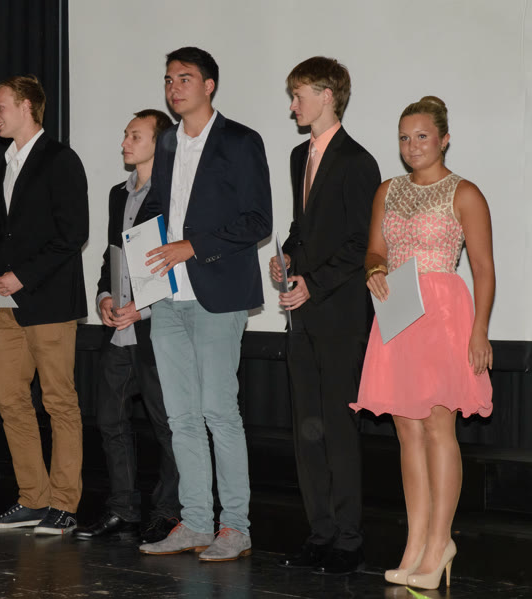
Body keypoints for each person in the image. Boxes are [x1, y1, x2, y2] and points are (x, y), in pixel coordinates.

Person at [352, 96, 494, 590]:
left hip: (445, 316)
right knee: (407, 431)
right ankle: (415, 544)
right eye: (404, 137)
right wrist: (374, 269)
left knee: (438, 428)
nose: (412, 146)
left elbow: (483, 269)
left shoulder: (465, 193)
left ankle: (439, 543)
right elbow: (375, 249)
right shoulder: (387, 190)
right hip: (398, 310)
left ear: (444, 139)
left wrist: (480, 331)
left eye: (422, 136)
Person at [138, 47, 272, 562]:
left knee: (219, 412)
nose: (174, 87)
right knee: (182, 417)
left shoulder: (240, 140)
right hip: (168, 296)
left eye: (185, 78)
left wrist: (193, 247)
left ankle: (235, 527)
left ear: (209, 85)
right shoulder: (167, 142)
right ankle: (195, 522)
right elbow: (159, 208)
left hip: (219, 292)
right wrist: (138, 250)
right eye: (168, 79)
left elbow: (257, 220)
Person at [270, 57, 380, 575]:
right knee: (307, 429)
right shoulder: (300, 156)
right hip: (303, 314)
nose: (292, 105)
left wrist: (314, 282)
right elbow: (304, 227)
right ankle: (320, 534)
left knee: (337, 427)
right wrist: (288, 258)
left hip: (340, 316)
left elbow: (362, 243)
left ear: (327, 96)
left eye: (299, 95)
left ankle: (349, 540)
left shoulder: (358, 161)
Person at [0, 75, 89, 535]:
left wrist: (22, 275)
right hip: (8, 303)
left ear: (26, 107)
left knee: (59, 401)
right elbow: (10, 237)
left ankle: (64, 504)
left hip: (50, 302)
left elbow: (73, 234)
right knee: (10, 400)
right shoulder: (8, 163)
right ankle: (33, 499)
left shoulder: (60, 159)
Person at [72, 109, 180, 543]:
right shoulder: (119, 193)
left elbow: (175, 263)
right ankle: (122, 508)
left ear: (160, 143)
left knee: (167, 425)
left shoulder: (174, 192)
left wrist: (143, 307)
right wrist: (103, 296)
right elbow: (112, 253)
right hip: (120, 327)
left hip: (158, 328)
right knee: (110, 420)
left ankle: (169, 512)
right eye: (125, 135)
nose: (125, 143)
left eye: (135, 136)